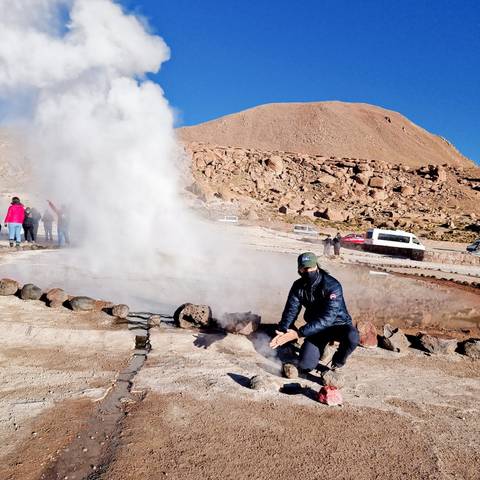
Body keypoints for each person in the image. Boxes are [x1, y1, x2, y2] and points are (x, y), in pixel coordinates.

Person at [270, 252, 359, 373]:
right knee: (305, 366)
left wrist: (298, 334)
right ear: (299, 269)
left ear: (316, 266)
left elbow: (328, 319)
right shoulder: (298, 286)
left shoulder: (332, 286)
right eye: (304, 268)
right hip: (316, 329)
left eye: (310, 267)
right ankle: (321, 349)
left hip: (338, 325)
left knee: (353, 337)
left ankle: (337, 363)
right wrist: (283, 329)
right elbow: (291, 310)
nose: (307, 271)